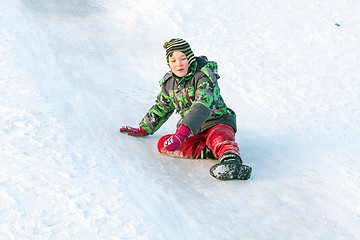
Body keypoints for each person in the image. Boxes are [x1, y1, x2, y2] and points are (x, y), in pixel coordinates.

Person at [120, 39, 252, 180]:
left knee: (219, 136)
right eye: (173, 60)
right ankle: (209, 151)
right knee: (163, 144)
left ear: (190, 59)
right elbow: (162, 107)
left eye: (183, 59)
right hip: (194, 131)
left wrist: (182, 133)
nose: (179, 64)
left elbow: (203, 104)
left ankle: (231, 161)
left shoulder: (204, 76)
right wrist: (144, 128)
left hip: (217, 121)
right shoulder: (170, 83)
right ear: (168, 63)